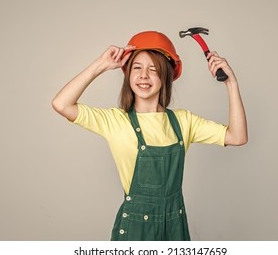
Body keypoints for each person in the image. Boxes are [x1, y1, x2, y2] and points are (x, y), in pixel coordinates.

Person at [52, 31, 247, 241]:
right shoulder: (116, 121)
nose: (144, 75)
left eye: (153, 69)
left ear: (166, 77)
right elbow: (61, 104)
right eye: (137, 68)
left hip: (175, 228)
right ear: (127, 74)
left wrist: (231, 84)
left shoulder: (183, 122)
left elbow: (237, 136)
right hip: (136, 232)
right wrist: (101, 64)